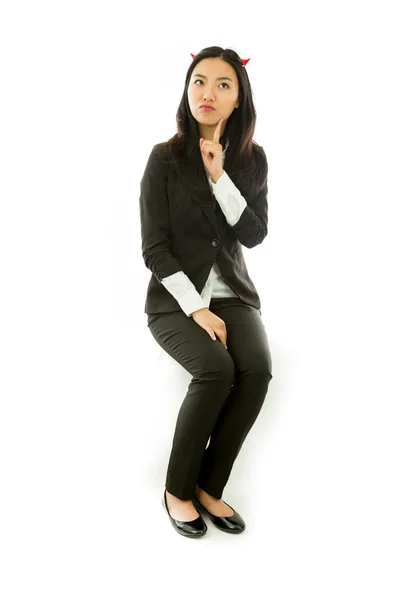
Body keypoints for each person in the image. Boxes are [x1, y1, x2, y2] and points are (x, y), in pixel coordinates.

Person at [139, 46, 273, 538]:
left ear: (239, 99)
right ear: (187, 89)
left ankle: (209, 487)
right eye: (199, 81)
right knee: (216, 370)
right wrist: (196, 308)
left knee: (256, 370)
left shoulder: (251, 160)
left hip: (235, 296)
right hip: (174, 301)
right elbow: (154, 249)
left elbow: (254, 234)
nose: (208, 93)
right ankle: (177, 489)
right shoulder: (164, 159)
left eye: (222, 84)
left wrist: (219, 175)